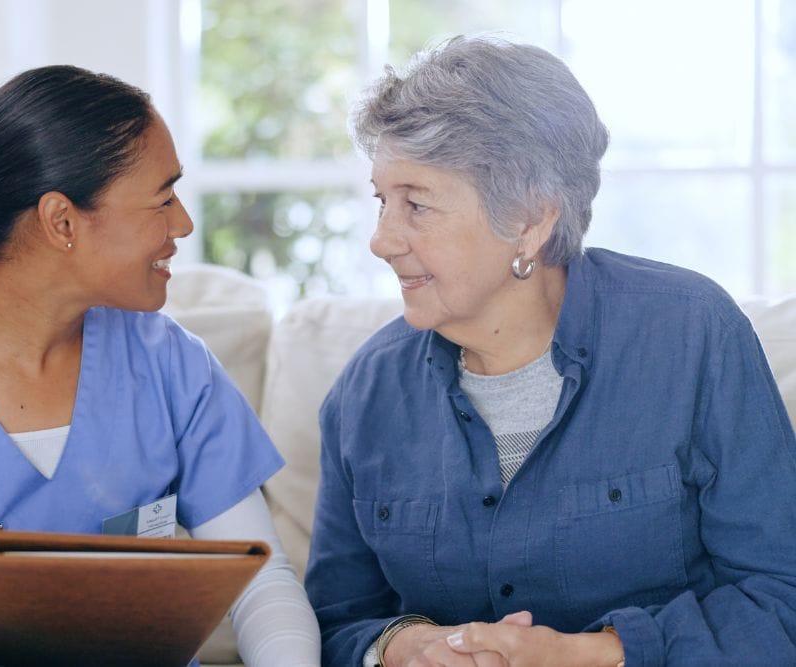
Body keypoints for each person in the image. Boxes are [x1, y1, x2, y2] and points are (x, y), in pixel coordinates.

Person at [0, 65, 320, 667]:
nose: (183, 223)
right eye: (163, 198)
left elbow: (262, 584)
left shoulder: (172, 364)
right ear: (62, 220)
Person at [305, 34, 796, 667]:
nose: (381, 240)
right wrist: (404, 646)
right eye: (382, 201)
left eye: (417, 205)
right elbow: (334, 621)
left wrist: (589, 653)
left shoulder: (693, 336)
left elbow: (781, 598)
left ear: (531, 220)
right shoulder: (365, 392)